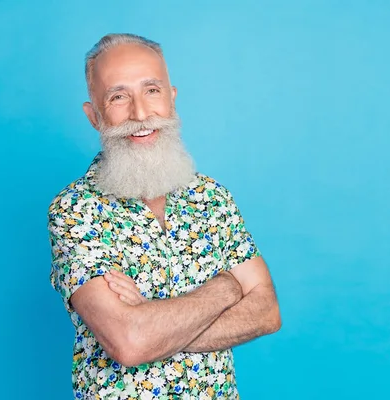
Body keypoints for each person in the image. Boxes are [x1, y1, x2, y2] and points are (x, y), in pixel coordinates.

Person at [48, 33, 281, 400]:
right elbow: (130, 343)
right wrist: (227, 288)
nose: (141, 114)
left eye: (152, 90)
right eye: (118, 97)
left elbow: (266, 311)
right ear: (94, 115)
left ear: (171, 98)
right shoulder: (75, 210)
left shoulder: (212, 198)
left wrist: (154, 320)